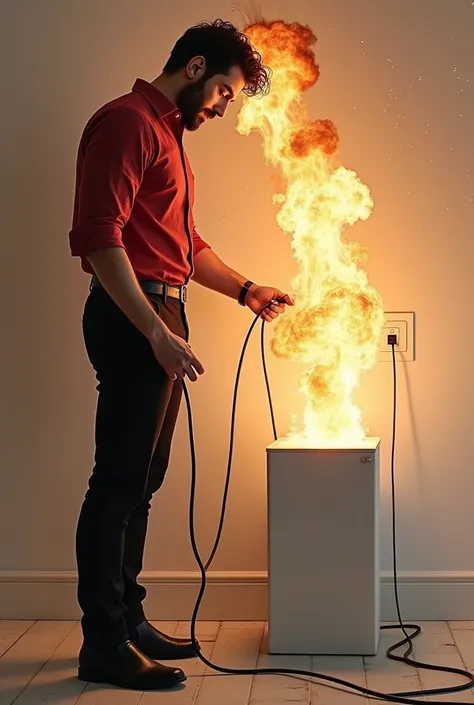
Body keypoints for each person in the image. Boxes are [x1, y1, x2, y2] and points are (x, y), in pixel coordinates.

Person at [69, 18, 293, 691]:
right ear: (196, 68)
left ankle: (128, 616)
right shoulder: (128, 123)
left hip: (162, 308)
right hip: (131, 312)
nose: (224, 107)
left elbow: (185, 243)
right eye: (224, 90)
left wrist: (245, 288)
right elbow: (100, 238)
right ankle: (102, 641)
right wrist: (154, 331)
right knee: (117, 480)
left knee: (145, 477)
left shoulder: (166, 136)